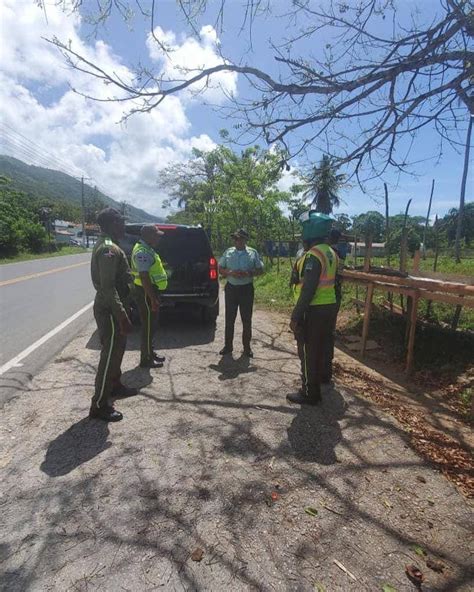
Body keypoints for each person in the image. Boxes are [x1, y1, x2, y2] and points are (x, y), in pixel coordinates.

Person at [89, 208, 136, 422]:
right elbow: (108, 288)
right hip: (110, 310)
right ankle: (99, 404)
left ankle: (115, 386)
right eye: (121, 222)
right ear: (112, 224)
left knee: (117, 351)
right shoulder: (108, 249)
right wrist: (122, 316)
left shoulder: (110, 246)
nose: (123, 226)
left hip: (113, 308)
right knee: (109, 356)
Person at [287, 212, 338, 405]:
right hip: (329, 306)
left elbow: (308, 289)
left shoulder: (313, 255)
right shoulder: (330, 252)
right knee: (321, 348)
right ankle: (320, 380)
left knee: (308, 350)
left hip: (313, 309)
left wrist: (295, 316)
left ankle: (310, 392)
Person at [218, 228, 264, 357]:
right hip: (231, 288)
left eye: (239, 238)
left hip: (246, 289)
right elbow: (220, 268)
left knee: (246, 320)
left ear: (244, 240)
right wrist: (230, 273)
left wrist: (249, 273)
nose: (236, 241)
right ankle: (228, 346)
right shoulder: (228, 252)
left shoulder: (253, 253)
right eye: (235, 238)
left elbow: (260, 270)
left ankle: (247, 348)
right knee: (229, 319)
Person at [130, 225, 168, 368]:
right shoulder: (142, 251)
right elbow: (144, 277)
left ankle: (150, 352)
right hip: (146, 292)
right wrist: (152, 299)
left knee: (152, 325)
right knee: (148, 326)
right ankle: (145, 360)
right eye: (156, 235)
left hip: (150, 291)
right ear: (148, 236)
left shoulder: (147, 248)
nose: (159, 237)